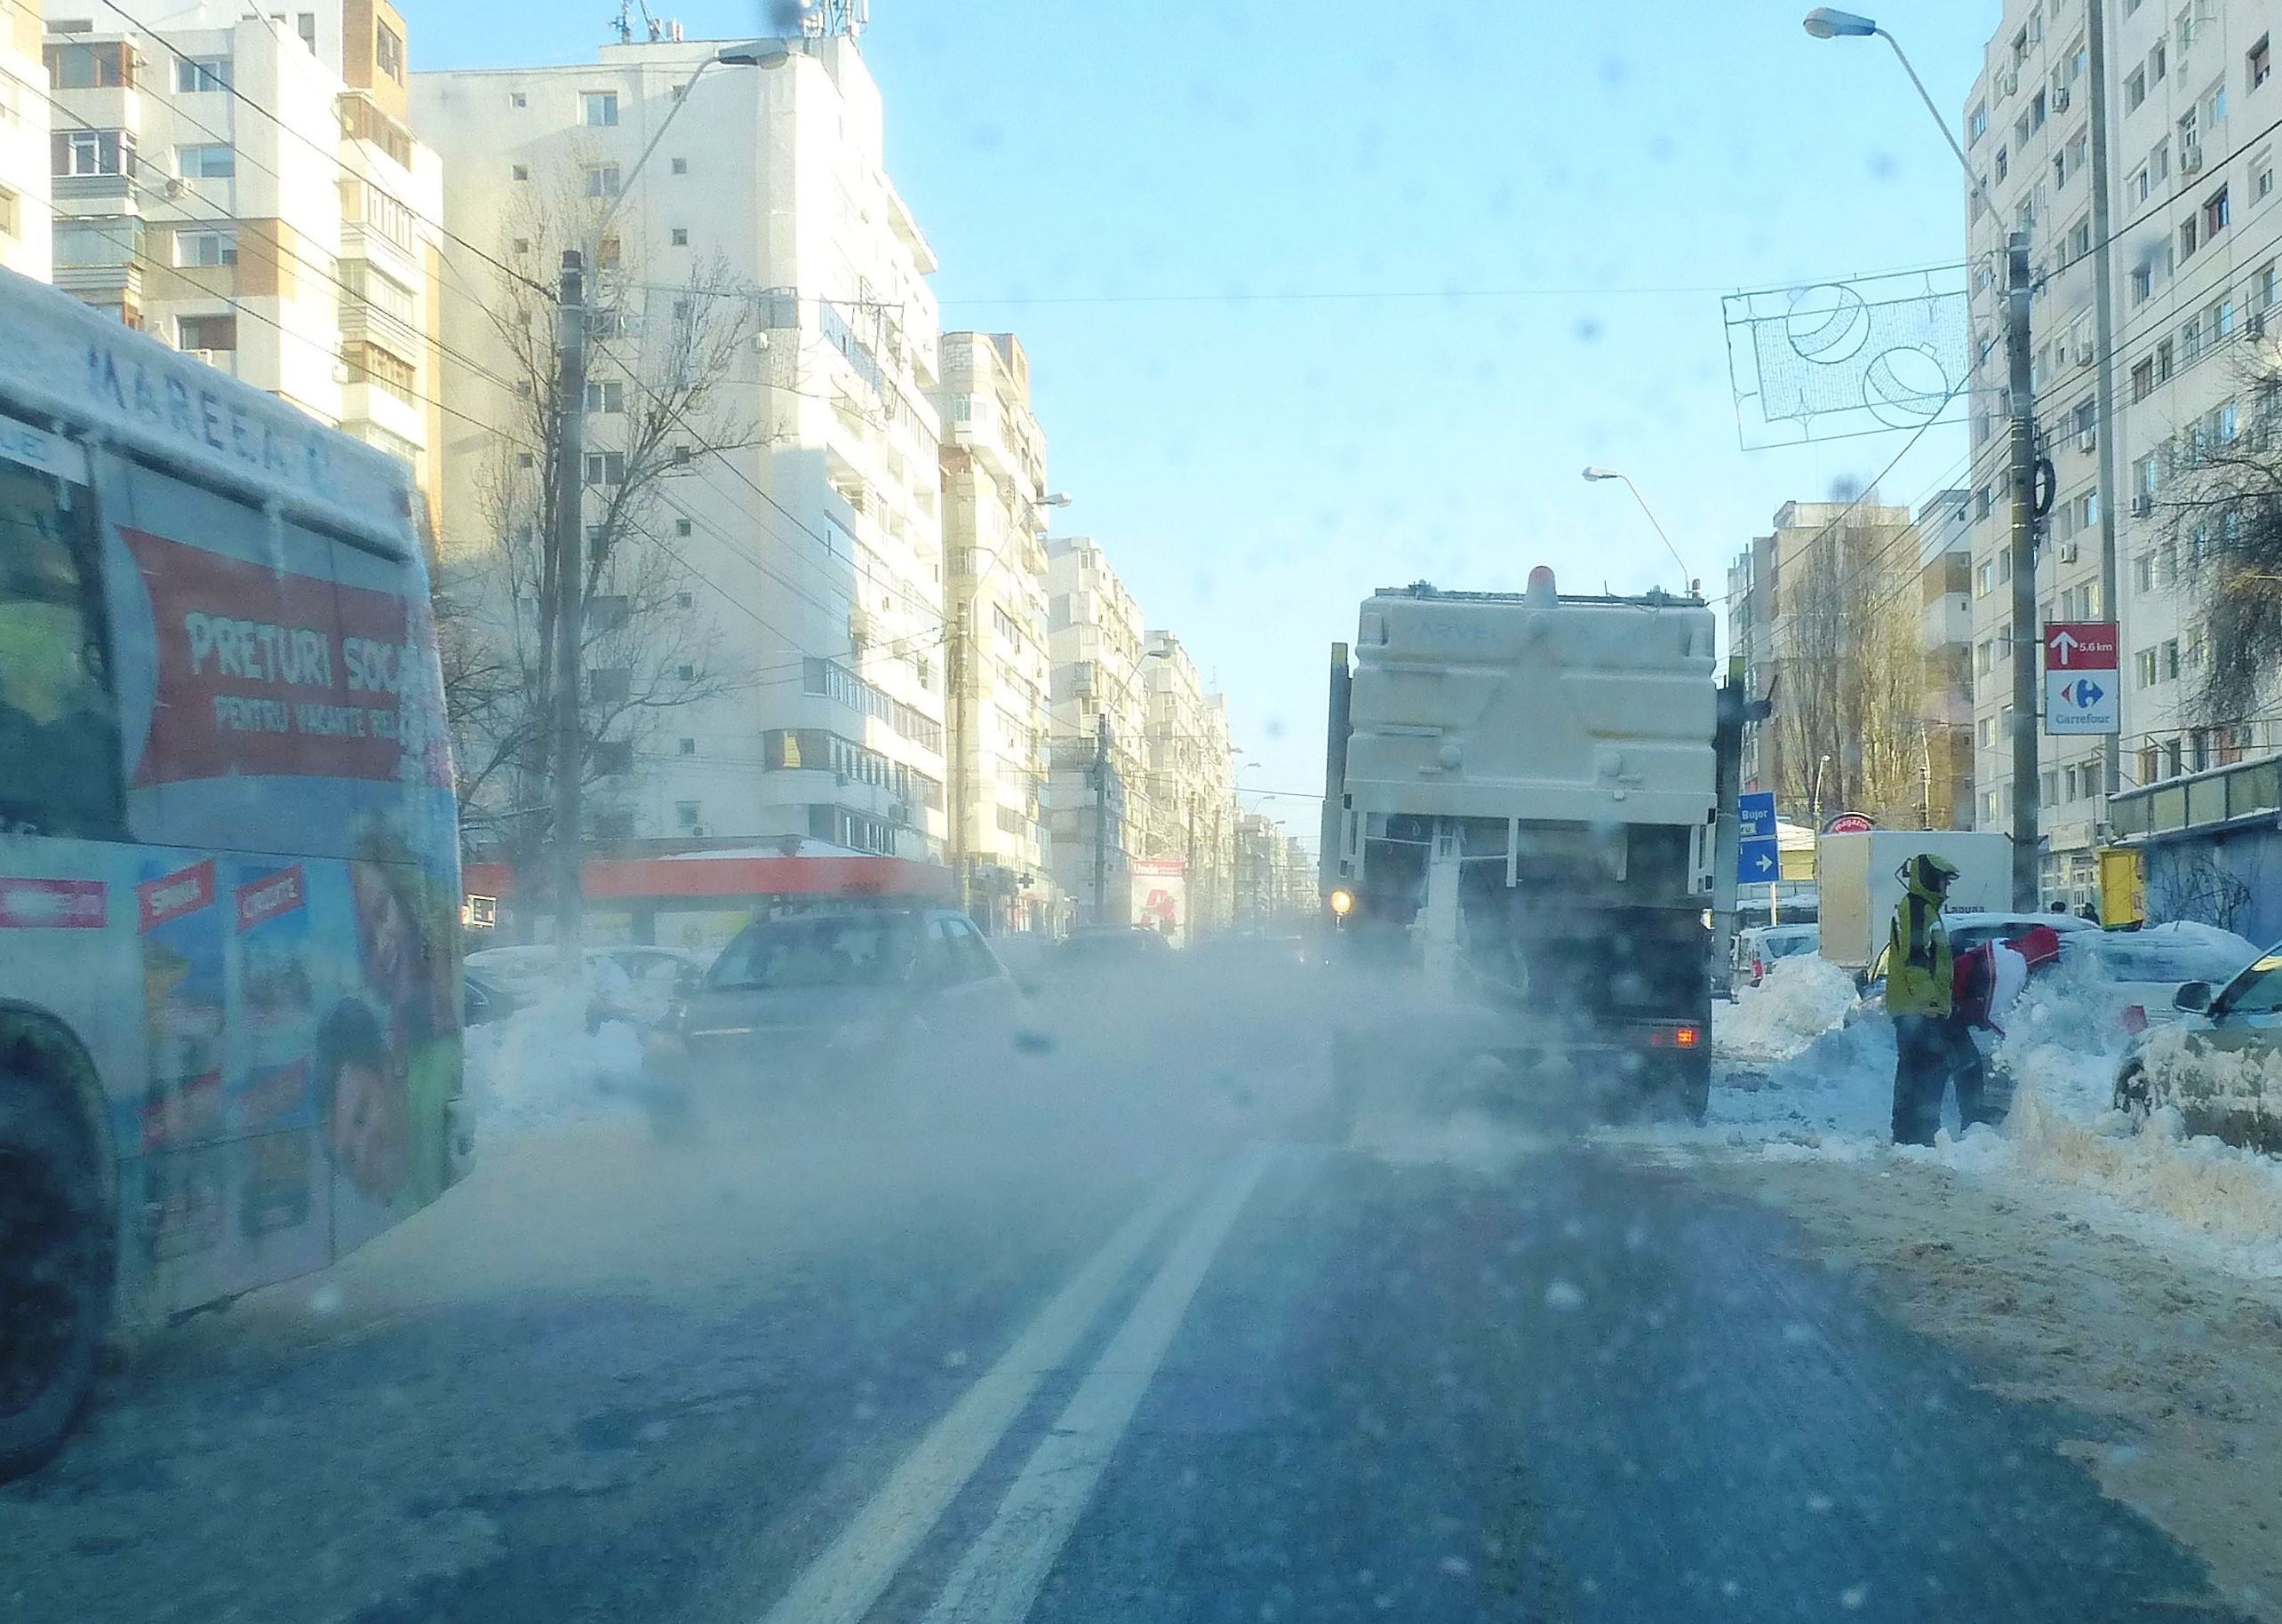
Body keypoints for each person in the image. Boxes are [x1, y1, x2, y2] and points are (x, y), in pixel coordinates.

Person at [1885, 853, 1980, 1146]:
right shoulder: (1916, 908)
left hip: (1924, 1010)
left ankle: (1913, 1134)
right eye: (1942, 881)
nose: (1945, 888)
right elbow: (1915, 960)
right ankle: (1918, 1134)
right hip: (1920, 1011)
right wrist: (1929, 1003)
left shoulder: (1925, 910)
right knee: (1928, 1070)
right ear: (1928, 880)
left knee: (1920, 1071)